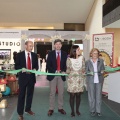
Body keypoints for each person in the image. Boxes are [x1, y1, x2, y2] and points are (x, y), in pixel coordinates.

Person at [15, 41, 38, 120]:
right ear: (25, 46)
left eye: (32, 46)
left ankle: (28, 109)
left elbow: (36, 66)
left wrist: (35, 69)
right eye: (30, 46)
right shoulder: (19, 55)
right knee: (21, 96)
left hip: (31, 78)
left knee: (30, 95)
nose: (31, 48)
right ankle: (20, 113)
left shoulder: (34, 55)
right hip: (23, 78)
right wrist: (22, 69)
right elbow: (16, 66)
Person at [46, 39, 67, 116]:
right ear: (54, 45)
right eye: (56, 44)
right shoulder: (50, 54)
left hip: (61, 75)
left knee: (61, 93)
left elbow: (66, 65)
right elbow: (48, 65)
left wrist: (63, 71)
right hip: (53, 75)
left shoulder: (65, 54)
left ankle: (60, 108)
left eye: (59, 44)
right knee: (52, 93)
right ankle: (51, 108)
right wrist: (55, 71)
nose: (58, 45)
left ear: (61, 45)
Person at [66, 45, 85, 117]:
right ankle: (72, 111)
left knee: (78, 95)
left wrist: (83, 72)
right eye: (78, 50)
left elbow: (83, 68)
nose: (80, 51)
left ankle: (77, 110)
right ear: (74, 51)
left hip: (79, 80)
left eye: (79, 49)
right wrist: (65, 72)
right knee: (72, 96)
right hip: (72, 80)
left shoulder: (82, 58)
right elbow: (68, 70)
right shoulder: (69, 59)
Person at [85, 48, 105, 117]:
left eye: (96, 53)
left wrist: (102, 71)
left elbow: (103, 69)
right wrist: (89, 72)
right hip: (90, 80)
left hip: (99, 80)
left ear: (98, 54)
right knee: (91, 96)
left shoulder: (101, 61)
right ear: (91, 54)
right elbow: (86, 71)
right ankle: (92, 110)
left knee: (98, 96)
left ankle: (98, 111)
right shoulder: (87, 62)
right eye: (94, 53)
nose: (95, 55)